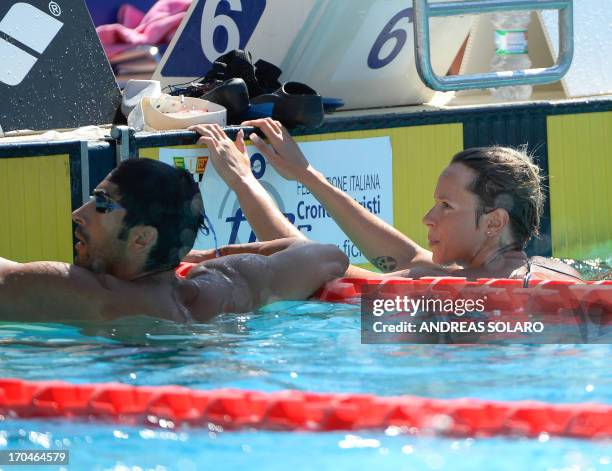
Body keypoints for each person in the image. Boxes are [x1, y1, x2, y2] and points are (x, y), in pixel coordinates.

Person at [190, 120, 583, 283]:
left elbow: (309, 267)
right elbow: (407, 257)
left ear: (494, 222)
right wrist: (307, 175)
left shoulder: (475, 287)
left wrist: (243, 180)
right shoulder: (554, 272)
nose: (428, 218)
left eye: (446, 207)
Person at [0, 158, 349, 323]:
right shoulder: (224, 289)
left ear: (141, 238)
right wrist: (195, 255)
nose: (79, 212)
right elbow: (326, 255)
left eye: (102, 203)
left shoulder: (94, 296)